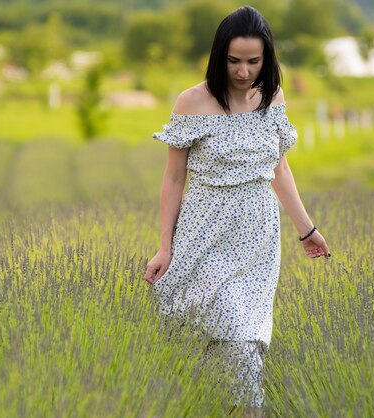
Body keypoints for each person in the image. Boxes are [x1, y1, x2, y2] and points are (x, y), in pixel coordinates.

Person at [144, 5, 330, 414]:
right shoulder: (192, 101)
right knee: (217, 329)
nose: (243, 71)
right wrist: (164, 247)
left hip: (258, 240)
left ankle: (239, 409)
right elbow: (173, 179)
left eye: (253, 61)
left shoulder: (272, 99)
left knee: (246, 337)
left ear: (267, 59)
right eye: (233, 61)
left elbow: (279, 168)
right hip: (204, 234)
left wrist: (306, 229)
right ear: (218, 56)